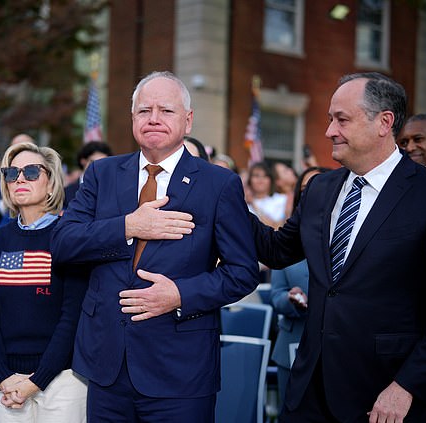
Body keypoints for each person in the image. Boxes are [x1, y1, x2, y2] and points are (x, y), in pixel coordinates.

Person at [51, 71, 259, 422]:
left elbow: (242, 272)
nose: (154, 119)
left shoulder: (219, 184)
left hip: (180, 371)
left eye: (166, 110)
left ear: (188, 120)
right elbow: (63, 243)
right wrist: (129, 226)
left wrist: (180, 294)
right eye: (144, 110)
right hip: (107, 367)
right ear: (133, 119)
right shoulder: (102, 174)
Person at [249, 72, 426, 422]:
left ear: (384, 122)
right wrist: (224, 199)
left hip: (384, 400)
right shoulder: (320, 189)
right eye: (330, 119)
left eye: (342, 119)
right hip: (308, 393)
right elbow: (277, 249)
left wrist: (407, 386)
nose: (329, 131)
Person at [0, 141, 89, 422]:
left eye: (31, 172)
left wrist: (38, 380)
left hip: (62, 380)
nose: (20, 179)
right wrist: (1, 376)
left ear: (51, 182)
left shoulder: (69, 235)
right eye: (12, 174)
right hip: (6, 384)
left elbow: (71, 315)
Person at [269, 166, 330, 409]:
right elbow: (276, 295)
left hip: (335, 349)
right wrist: (291, 299)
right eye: (305, 189)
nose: (310, 194)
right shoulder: (287, 236)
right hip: (292, 343)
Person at [63, 141, 113, 208]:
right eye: (94, 163)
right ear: (83, 161)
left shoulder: (112, 192)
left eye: (103, 164)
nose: (98, 168)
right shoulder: (65, 193)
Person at [246, 161, 287, 229]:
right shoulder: (243, 203)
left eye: (265, 176)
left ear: (271, 180)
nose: (260, 180)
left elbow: (274, 227)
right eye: (256, 176)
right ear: (250, 180)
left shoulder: (281, 200)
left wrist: (253, 204)